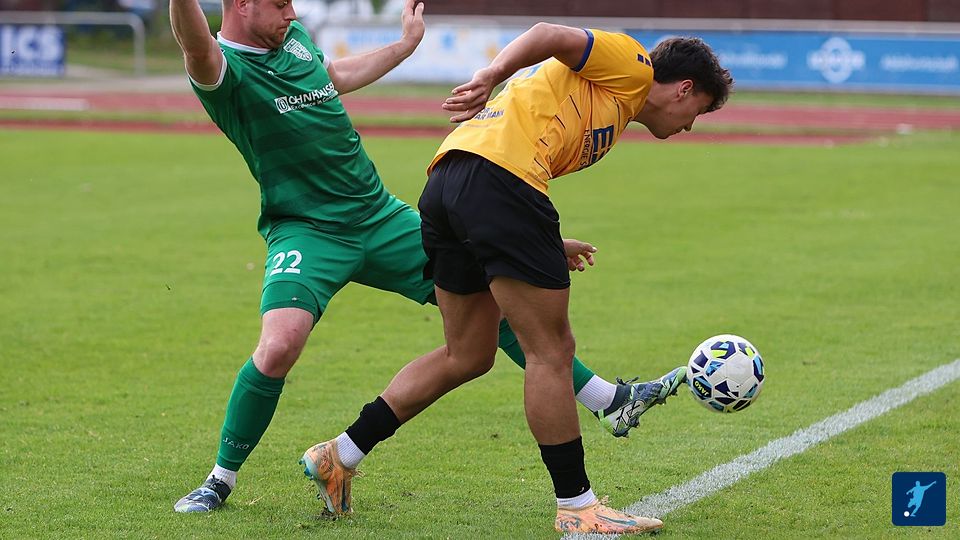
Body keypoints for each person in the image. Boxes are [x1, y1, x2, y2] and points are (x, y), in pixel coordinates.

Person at [168, 0, 686, 514]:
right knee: (279, 347)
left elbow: (335, 76)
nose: (292, 12)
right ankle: (219, 479)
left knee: (492, 312)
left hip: (379, 215)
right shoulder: (220, 68)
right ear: (241, 4)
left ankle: (603, 399)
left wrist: (403, 46)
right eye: (281, 4)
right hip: (306, 230)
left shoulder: (294, 41)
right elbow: (195, 43)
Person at [302, 23, 733, 534]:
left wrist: (546, 243)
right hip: (496, 185)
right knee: (551, 351)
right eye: (698, 111)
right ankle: (577, 509)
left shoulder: (613, 106)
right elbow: (549, 33)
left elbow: (517, 150)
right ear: (684, 88)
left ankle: (340, 453)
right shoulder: (634, 65)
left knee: (467, 354)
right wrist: (491, 73)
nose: (690, 127)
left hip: (450, 183)